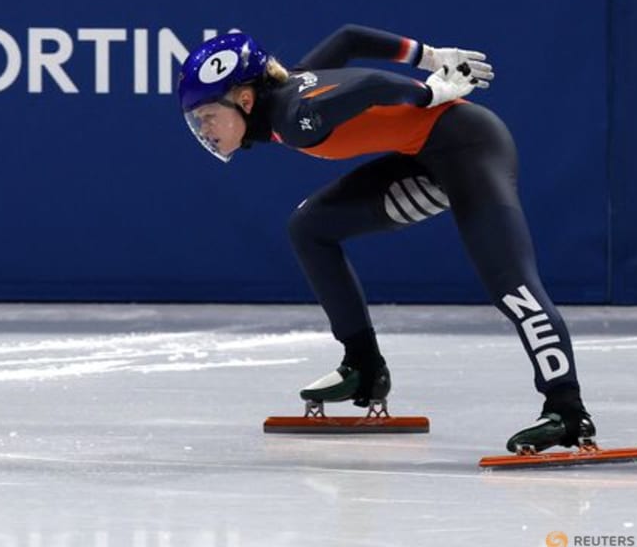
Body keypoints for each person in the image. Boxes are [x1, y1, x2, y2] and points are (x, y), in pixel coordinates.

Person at [176, 24, 591, 453]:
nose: (204, 129)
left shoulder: (293, 116)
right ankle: (363, 366)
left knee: (513, 286)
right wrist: (429, 57)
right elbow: (349, 38)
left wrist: (429, 94)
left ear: (245, 100)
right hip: (425, 160)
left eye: (207, 115)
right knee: (309, 227)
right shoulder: (296, 83)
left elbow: (371, 86)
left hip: (472, 149)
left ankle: (567, 409)